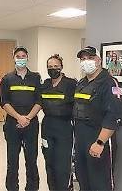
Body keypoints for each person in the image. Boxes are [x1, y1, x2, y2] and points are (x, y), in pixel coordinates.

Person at [73, 46, 122, 191]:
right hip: (81, 139)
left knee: (100, 183)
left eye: (90, 58)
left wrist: (100, 142)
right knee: (83, 180)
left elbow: (114, 116)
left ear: (99, 61)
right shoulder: (81, 83)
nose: (86, 61)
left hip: (99, 138)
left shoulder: (110, 83)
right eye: (83, 59)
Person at [0, 46, 41, 191]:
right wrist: (19, 117)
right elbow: (4, 102)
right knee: (12, 160)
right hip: (12, 124)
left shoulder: (35, 77)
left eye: (23, 56)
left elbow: (39, 101)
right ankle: (12, 188)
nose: (21, 59)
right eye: (18, 56)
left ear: (27, 58)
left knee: (31, 160)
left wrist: (27, 118)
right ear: (14, 58)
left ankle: (32, 188)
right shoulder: (7, 79)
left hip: (31, 124)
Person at [40, 54, 76, 191]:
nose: (53, 69)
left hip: (64, 128)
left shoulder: (71, 84)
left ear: (61, 67)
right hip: (47, 127)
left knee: (62, 165)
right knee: (49, 163)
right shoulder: (45, 84)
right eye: (50, 67)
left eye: (56, 66)